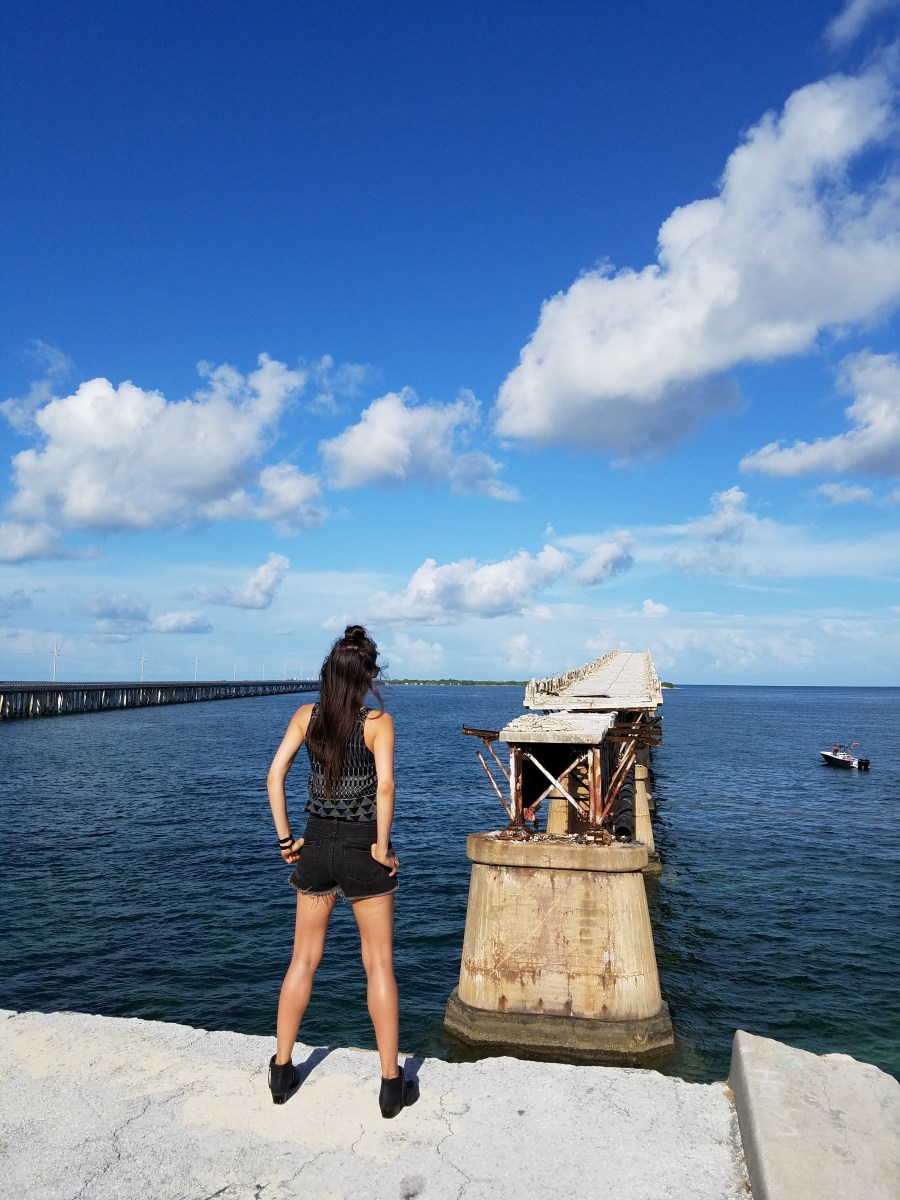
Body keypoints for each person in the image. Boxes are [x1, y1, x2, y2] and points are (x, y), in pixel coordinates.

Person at [266, 625, 417, 1118]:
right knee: (377, 965)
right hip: (360, 849)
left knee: (302, 961)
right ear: (369, 675)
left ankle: (282, 1071)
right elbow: (386, 787)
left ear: (328, 672)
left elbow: (274, 776)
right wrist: (380, 847)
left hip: (315, 846)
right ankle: (391, 1085)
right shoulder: (378, 723)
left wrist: (287, 840)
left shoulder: (306, 717)